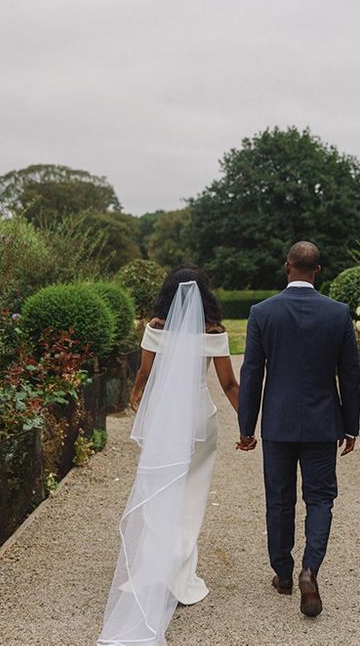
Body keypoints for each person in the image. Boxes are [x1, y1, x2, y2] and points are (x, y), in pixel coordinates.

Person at [97, 265, 240, 646]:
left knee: (161, 493)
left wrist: (138, 402)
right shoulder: (214, 333)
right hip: (199, 419)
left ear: (166, 294)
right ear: (205, 295)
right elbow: (228, 384)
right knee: (191, 499)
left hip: (164, 419)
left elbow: (143, 375)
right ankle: (178, 578)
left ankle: (151, 574)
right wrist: (249, 424)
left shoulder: (155, 328)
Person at [237, 241, 360, 618]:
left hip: (277, 423)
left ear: (287, 267)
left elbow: (252, 373)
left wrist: (247, 426)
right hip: (324, 424)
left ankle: (283, 574)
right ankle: (311, 570)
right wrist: (351, 425)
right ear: (318, 271)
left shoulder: (263, 312)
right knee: (321, 498)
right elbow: (351, 376)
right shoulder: (338, 313)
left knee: (279, 498)